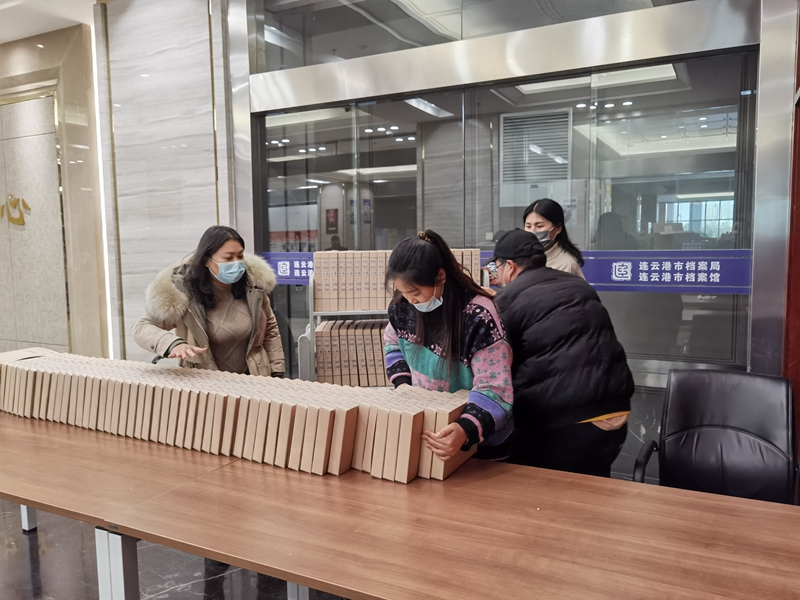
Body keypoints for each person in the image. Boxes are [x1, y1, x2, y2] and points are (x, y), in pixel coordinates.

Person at [131, 225, 286, 600]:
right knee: (217, 483)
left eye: (240, 256)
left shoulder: (253, 287)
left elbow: (269, 331)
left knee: (260, 478)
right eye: (228, 258)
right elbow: (142, 327)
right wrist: (173, 344)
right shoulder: (181, 294)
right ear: (207, 260)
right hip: (208, 397)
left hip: (254, 393)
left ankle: (262, 549)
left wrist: (280, 376)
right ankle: (216, 556)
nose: (237, 264)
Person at [490, 229, 633, 477]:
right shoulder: (578, 285)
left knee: (536, 487)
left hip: (568, 422)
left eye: (497, 267)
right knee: (593, 488)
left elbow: (497, 363)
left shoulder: (509, 300)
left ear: (509, 266)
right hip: (616, 412)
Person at [383, 230, 514, 460]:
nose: (410, 301)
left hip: (478, 440)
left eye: (415, 292)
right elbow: (392, 343)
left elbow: (495, 388)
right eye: (403, 292)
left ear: (440, 277)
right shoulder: (402, 306)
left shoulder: (478, 316)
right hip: (431, 429)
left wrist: (465, 430)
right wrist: (403, 385)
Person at [523, 198, 585, 278]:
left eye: (539, 226)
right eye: (528, 226)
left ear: (557, 229)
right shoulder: (521, 254)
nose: (532, 231)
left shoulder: (565, 265)